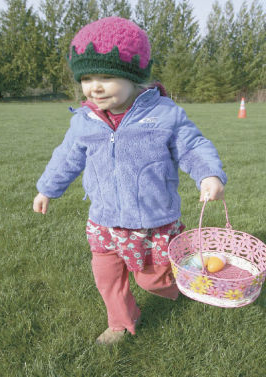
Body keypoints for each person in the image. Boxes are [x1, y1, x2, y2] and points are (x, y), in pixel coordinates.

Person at [33, 17, 227, 345]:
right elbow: (66, 157)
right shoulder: (84, 121)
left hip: (152, 222)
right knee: (107, 278)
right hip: (104, 222)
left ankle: (182, 279)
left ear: (134, 76)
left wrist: (208, 175)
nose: (94, 87)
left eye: (106, 77)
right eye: (87, 78)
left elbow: (192, 146)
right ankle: (121, 322)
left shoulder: (164, 114)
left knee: (153, 280)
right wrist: (46, 189)